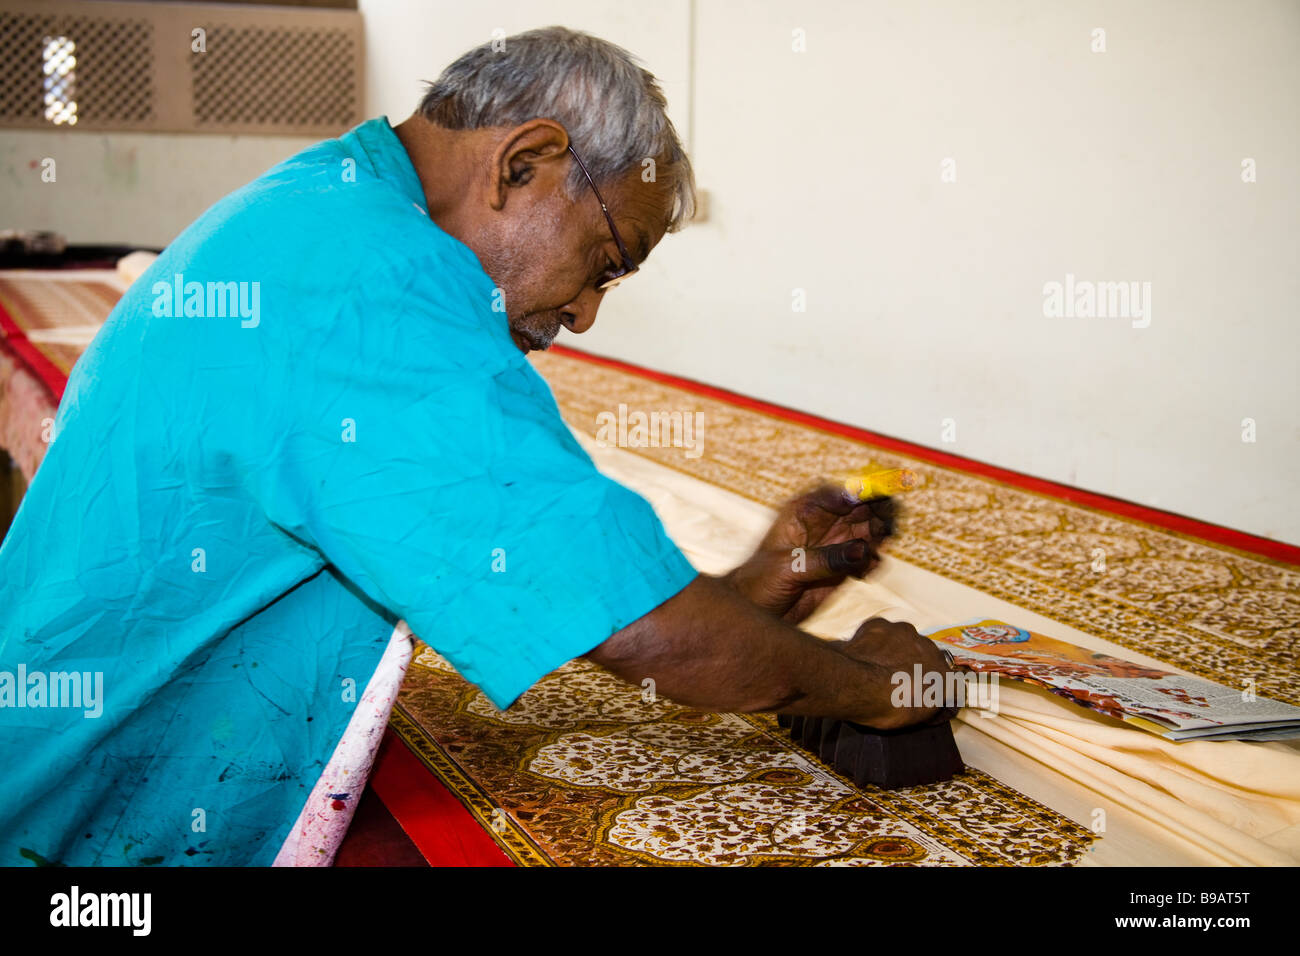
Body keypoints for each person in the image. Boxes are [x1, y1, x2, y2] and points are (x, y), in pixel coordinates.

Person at [0, 26, 954, 867]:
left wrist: (745, 599)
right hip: (65, 827)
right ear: (525, 161)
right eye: (606, 262)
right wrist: (874, 689)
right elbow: (636, 628)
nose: (583, 314)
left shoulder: (328, 200)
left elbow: (544, 567)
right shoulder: (380, 287)